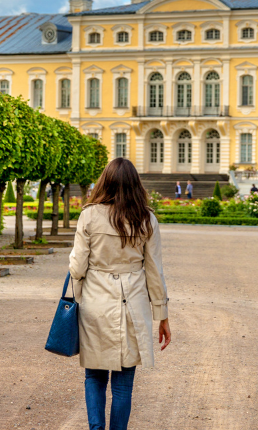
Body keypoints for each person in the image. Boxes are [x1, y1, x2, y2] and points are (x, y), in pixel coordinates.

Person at [69, 158, 171, 430]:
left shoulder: (89, 215)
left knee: (95, 376)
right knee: (124, 385)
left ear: (105, 182)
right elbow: (154, 271)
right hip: (133, 303)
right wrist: (162, 315)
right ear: (136, 185)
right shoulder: (147, 218)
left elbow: (77, 267)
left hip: (95, 302)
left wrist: (78, 299)